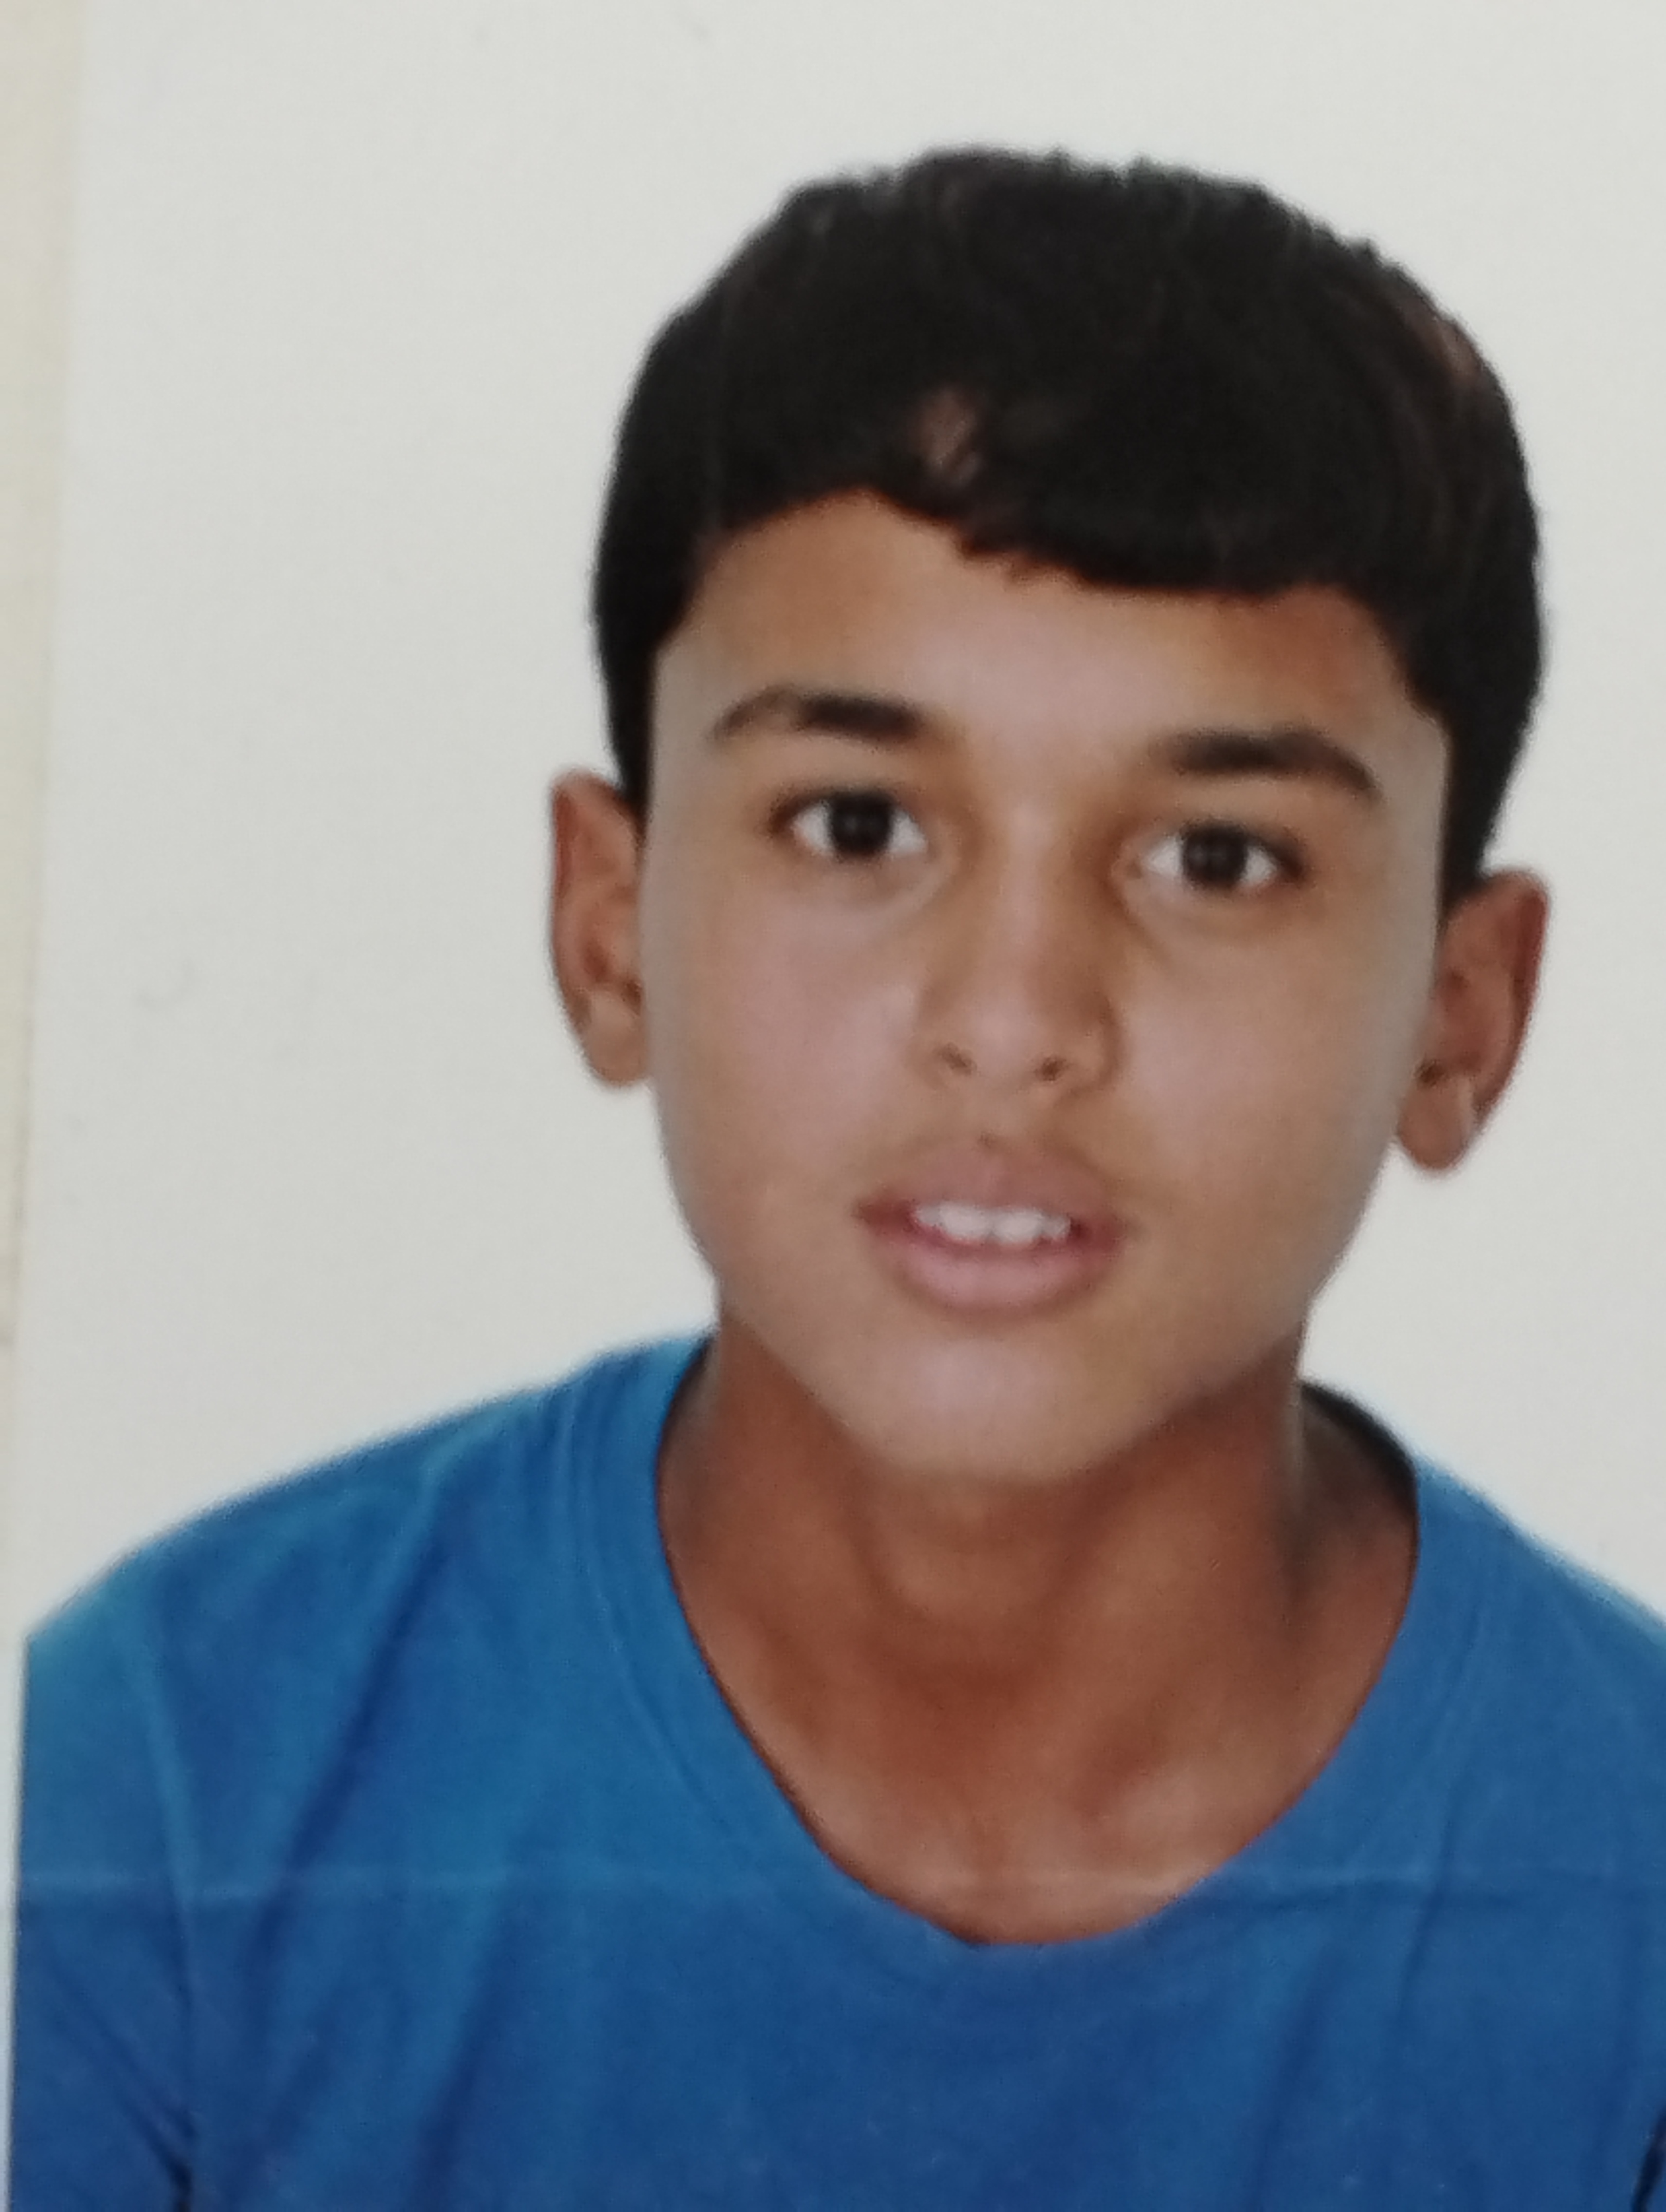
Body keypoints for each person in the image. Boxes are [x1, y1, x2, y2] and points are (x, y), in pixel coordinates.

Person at [12, 146, 1666, 2210]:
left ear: (1461, 1015)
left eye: (1218, 856)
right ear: (609, 929)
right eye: (859, 825)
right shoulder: (158, 1803)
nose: (1015, 1018)